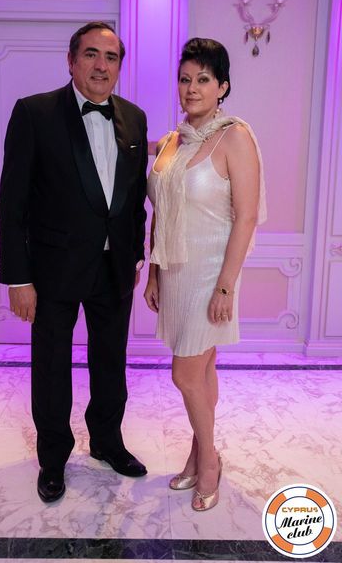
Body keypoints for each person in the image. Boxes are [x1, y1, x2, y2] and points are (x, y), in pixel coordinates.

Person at [0, 22, 148, 503]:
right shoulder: (35, 113)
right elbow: (12, 204)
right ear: (71, 60)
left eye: (111, 57)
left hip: (114, 269)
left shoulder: (135, 118)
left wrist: (136, 256)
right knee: (51, 368)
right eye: (91, 54)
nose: (101, 66)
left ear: (119, 66)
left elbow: (134, 199)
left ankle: (106, 441)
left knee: (111, 362)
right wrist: (18, 278)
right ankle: (53, 458)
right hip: (52, 271)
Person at [144, 38, 266, 512]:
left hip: (211, 275)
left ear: (223, 87)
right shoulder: (172, 141)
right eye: (184, 79)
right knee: (203, 368)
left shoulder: (234, 136)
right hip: (176, 272)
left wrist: (225, 287)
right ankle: (198, 454)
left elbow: (247, 217)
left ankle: (209, 459)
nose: (191, 88)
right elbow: (161, 210)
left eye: (203, 79)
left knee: (185, 374)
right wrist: (154, 274)